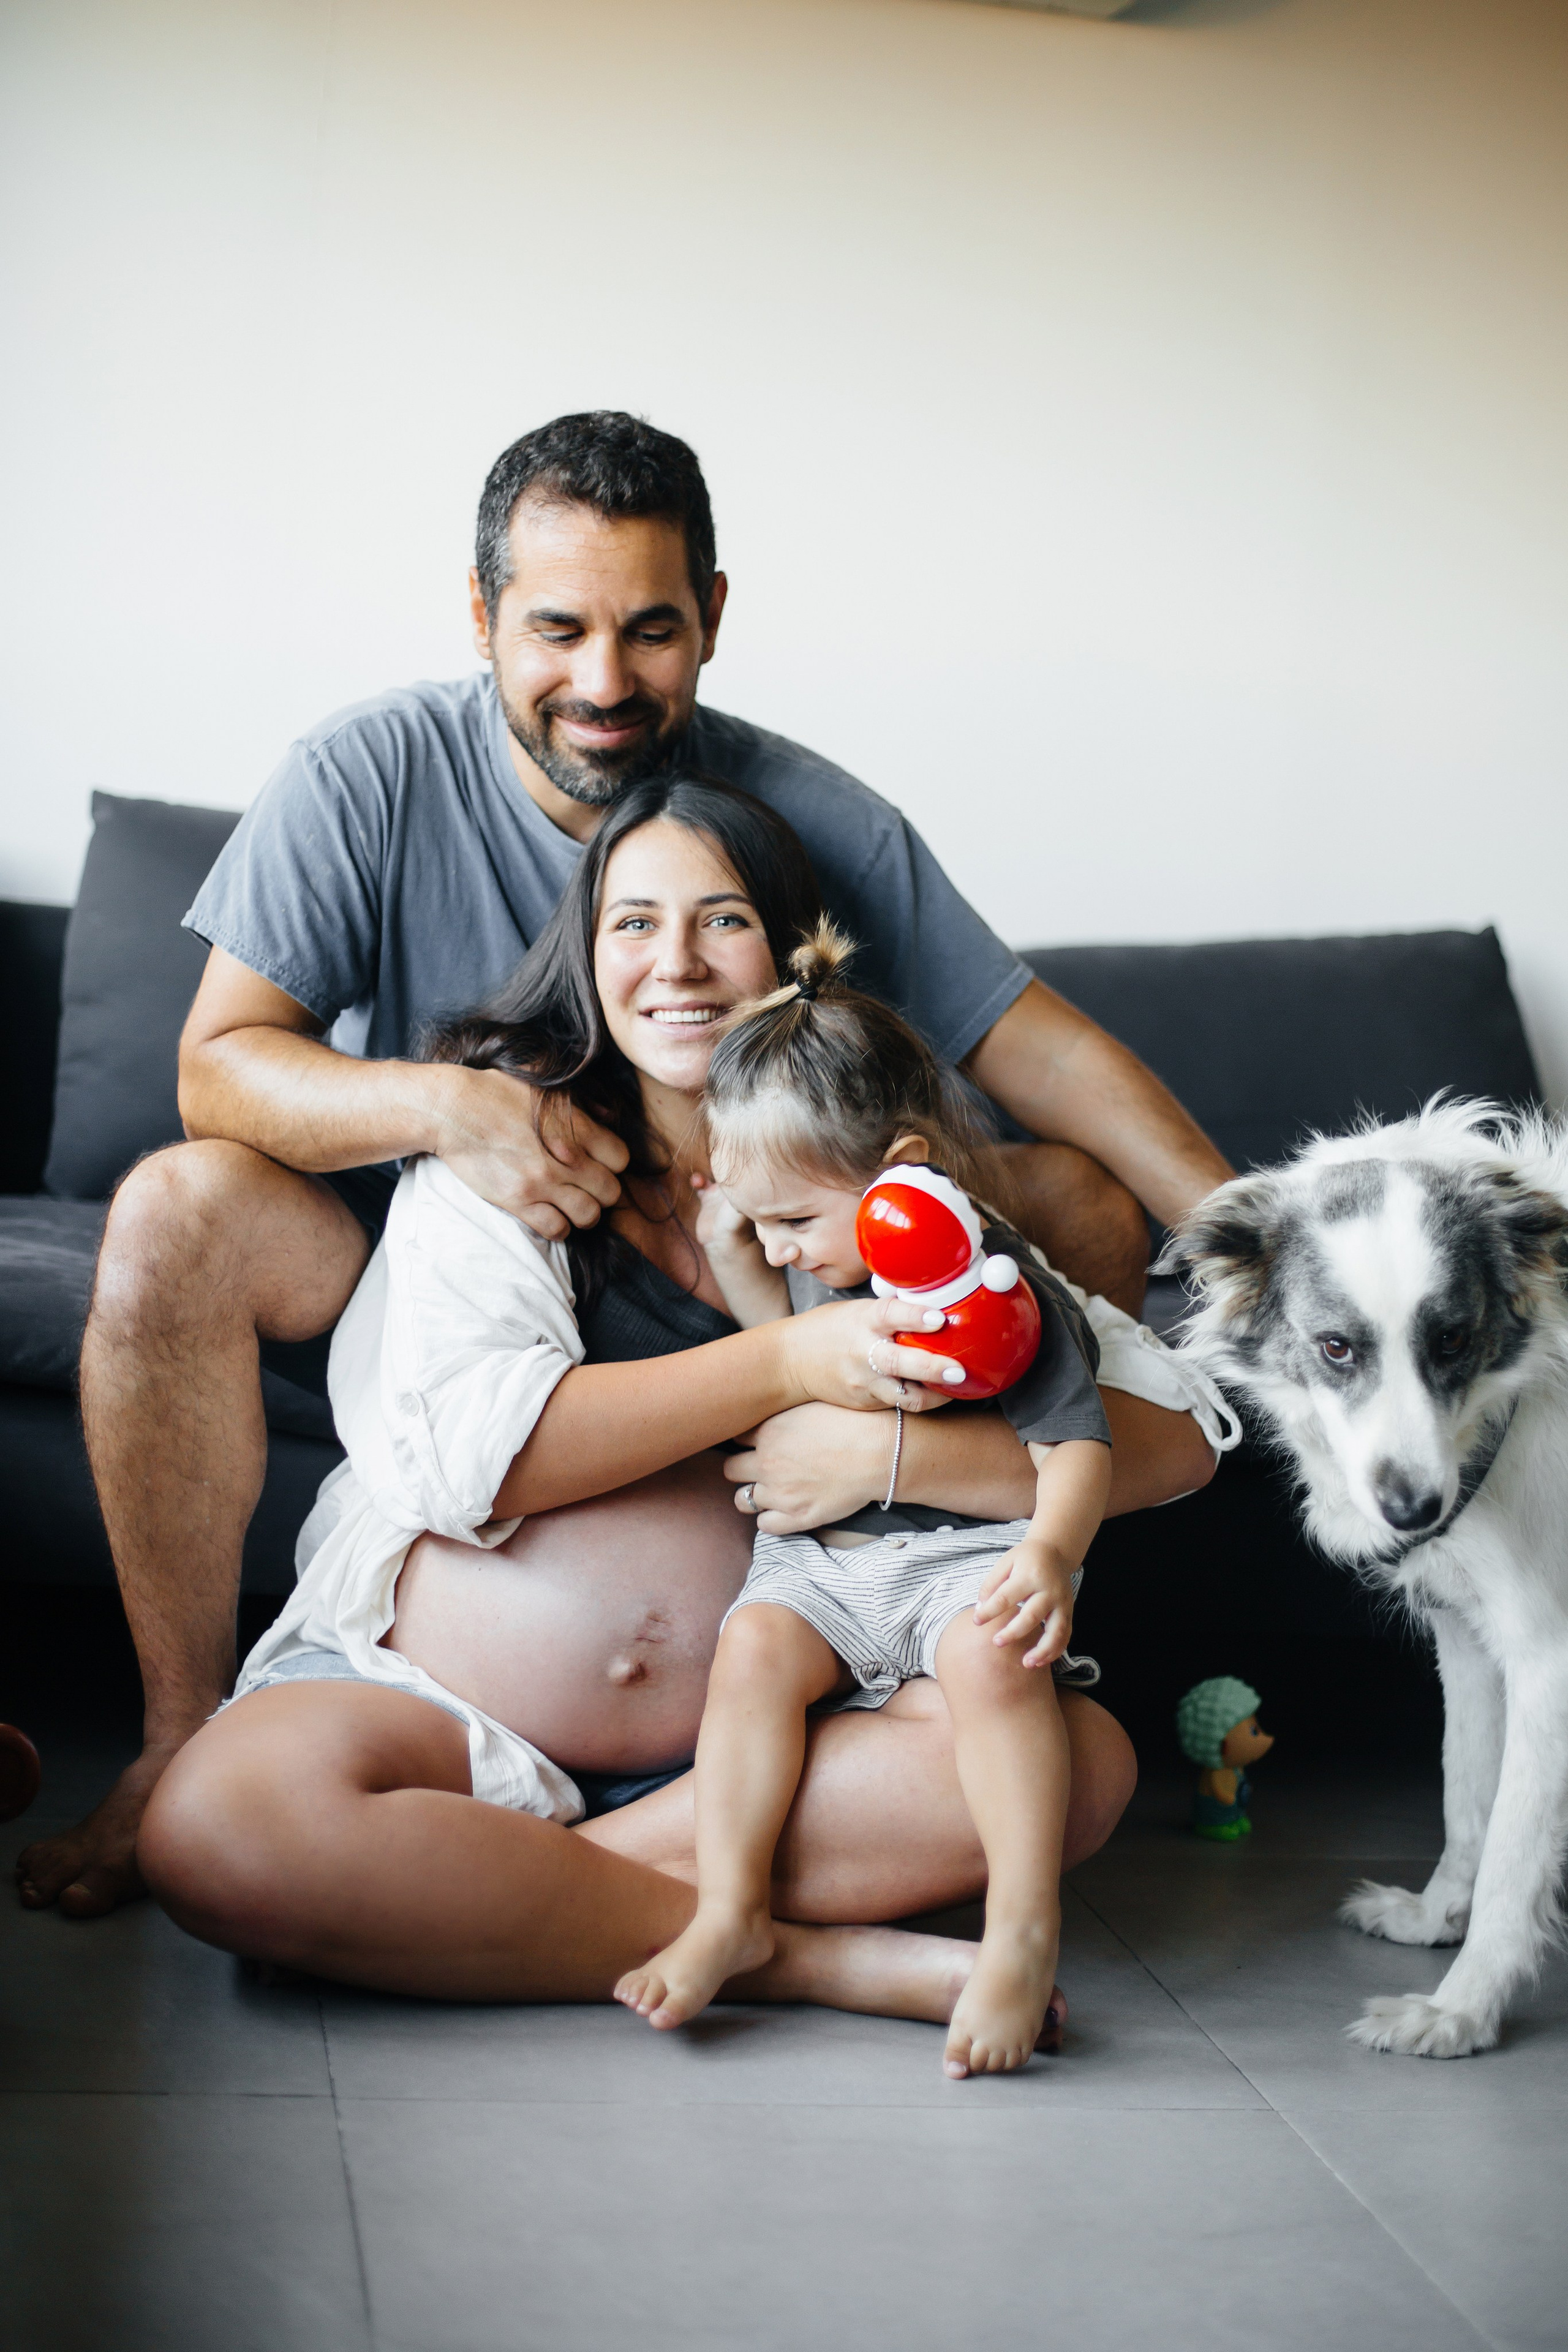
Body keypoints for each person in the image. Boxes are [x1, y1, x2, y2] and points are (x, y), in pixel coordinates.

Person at [20, 409, 1231, 1918]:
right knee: (177, 1208)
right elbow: (217, 1071)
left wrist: (1257, 1249)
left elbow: (1036, 1048)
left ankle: (959, 1601)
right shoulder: (366, 775)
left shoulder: (802, 817)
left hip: (762, 1252)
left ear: (711, 621)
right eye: (557, 629)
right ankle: (176, 1743)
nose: (602, 682)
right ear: (481, 619)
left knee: (1061, 1198)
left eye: (649, 632)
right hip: (419, 1259)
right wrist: (449, 1109)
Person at [137, 778, 1232, 2023]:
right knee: (217, 1830)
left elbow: (1178, 1442)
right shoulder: (520, 1159)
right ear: (585, 953)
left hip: (780, 1752)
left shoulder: (891, 1199)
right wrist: (787, 1366)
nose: (677, 963)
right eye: (632, 924)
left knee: (1078, 1767)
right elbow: (467, 1465)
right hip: (442, 1716)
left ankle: (456, 1905)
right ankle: (802, 1955)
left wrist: (886, 1461)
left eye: (722, 921)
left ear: (785, 954)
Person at [616, 923, 1126, 2073]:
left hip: (961, 1559)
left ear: (902, 1171)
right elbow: (801, 1361)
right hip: (829, 1558)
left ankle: (1019, 1934)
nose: (784, 1244)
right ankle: (732, 1908)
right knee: (751, 1653)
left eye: (794, 1220)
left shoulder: (999, 1290)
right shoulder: (832, 1255)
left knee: (999, 1667)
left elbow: (1079, 1446)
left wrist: (1048, 1553)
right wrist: (751, 1259)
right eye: (765, 1224)